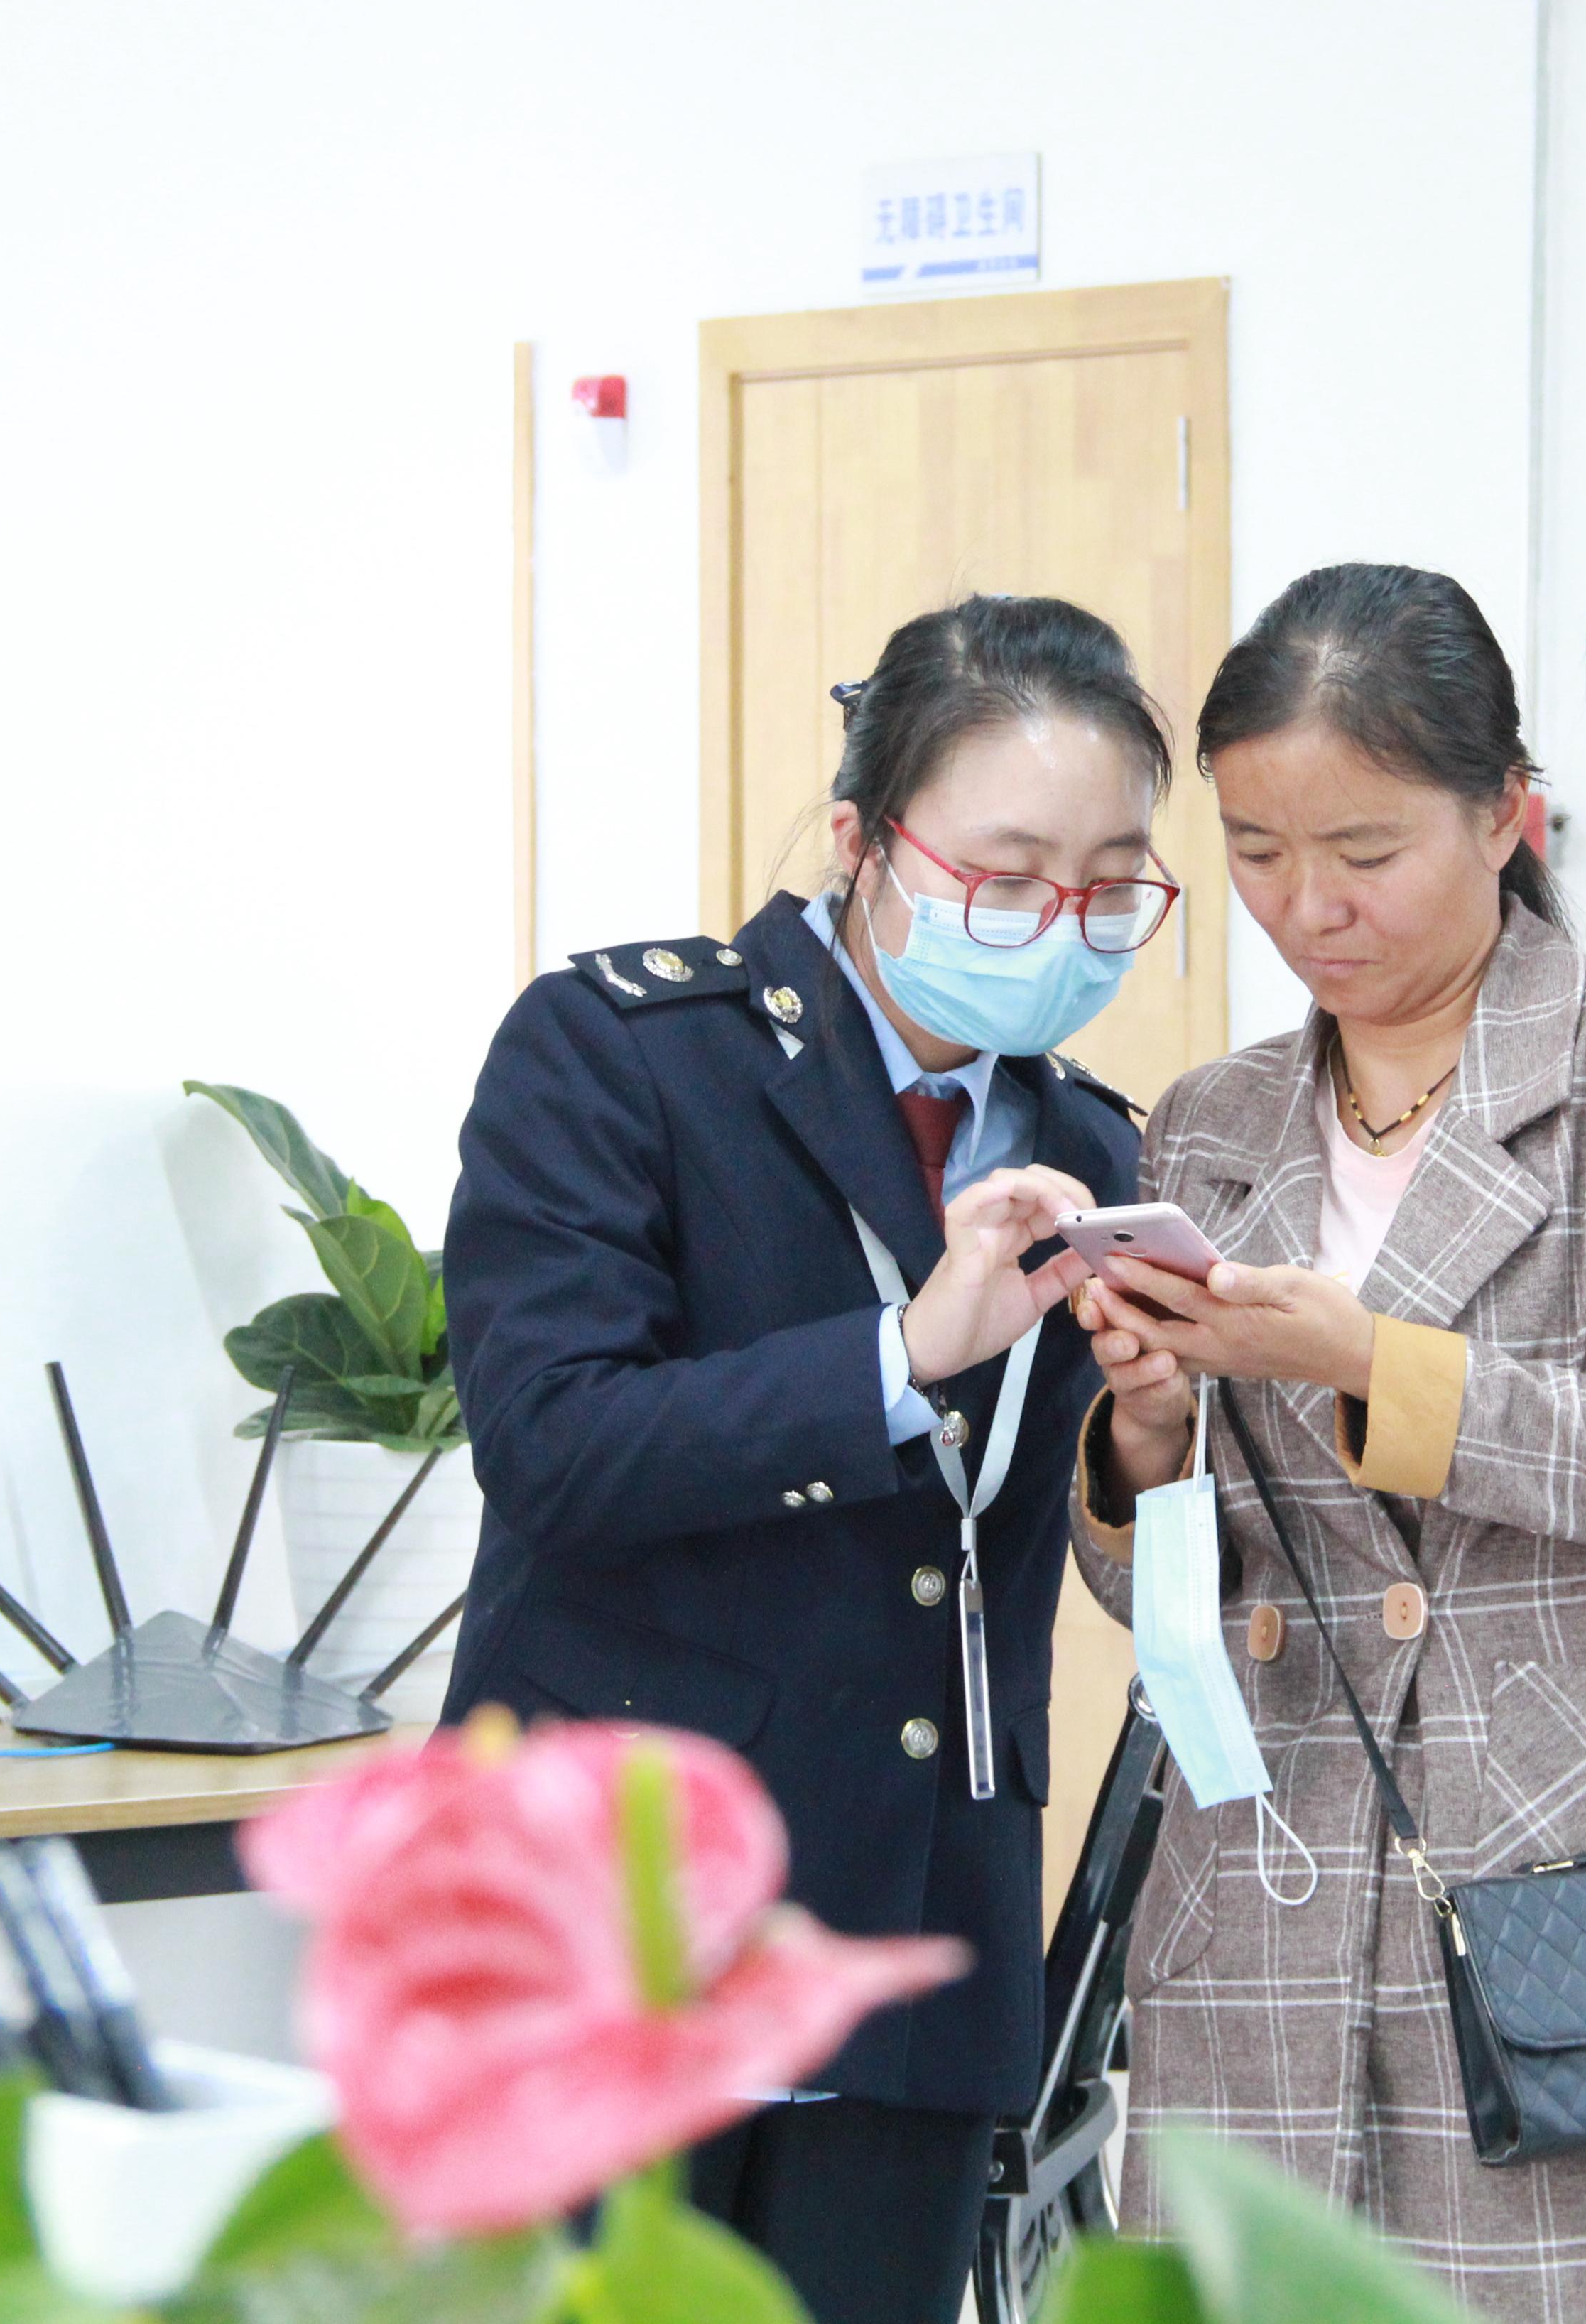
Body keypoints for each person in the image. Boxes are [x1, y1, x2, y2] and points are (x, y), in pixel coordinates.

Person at [1069, 563, 1586, 2322]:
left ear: (1506, 814)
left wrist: (1370, 1365)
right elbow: (1167, 1598)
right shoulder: (1212, 1123)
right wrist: (1148, 1435)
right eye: (1257, 851)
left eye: (1366, 849)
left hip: (1580, 1918)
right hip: (1263, 1925)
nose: (1309, 906)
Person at [438, 595, 1170, 2324]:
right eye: (1007, 879)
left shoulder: (1090, 1144)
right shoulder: (624, 1055)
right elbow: (553, 1444)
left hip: (917, 1937)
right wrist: (901, 1357)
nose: (1059, 929)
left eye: (1111, 888)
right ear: (860, 840)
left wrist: (1152, 1440)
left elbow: (1055, 1542)